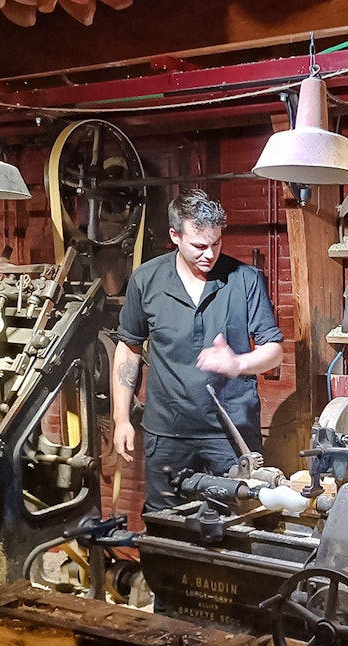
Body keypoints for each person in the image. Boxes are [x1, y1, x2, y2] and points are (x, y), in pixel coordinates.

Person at [112, 189, 283, 510]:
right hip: (167, 432)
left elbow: (273, 351)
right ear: (175, 236)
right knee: (166, 526)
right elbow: (129, 349)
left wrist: (239, 363)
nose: (210, 254)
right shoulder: (145, 280)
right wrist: (121, 418)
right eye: (199, 246)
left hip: (231, 434)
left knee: (235, 524)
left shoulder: (245, 279)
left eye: (216, 243)